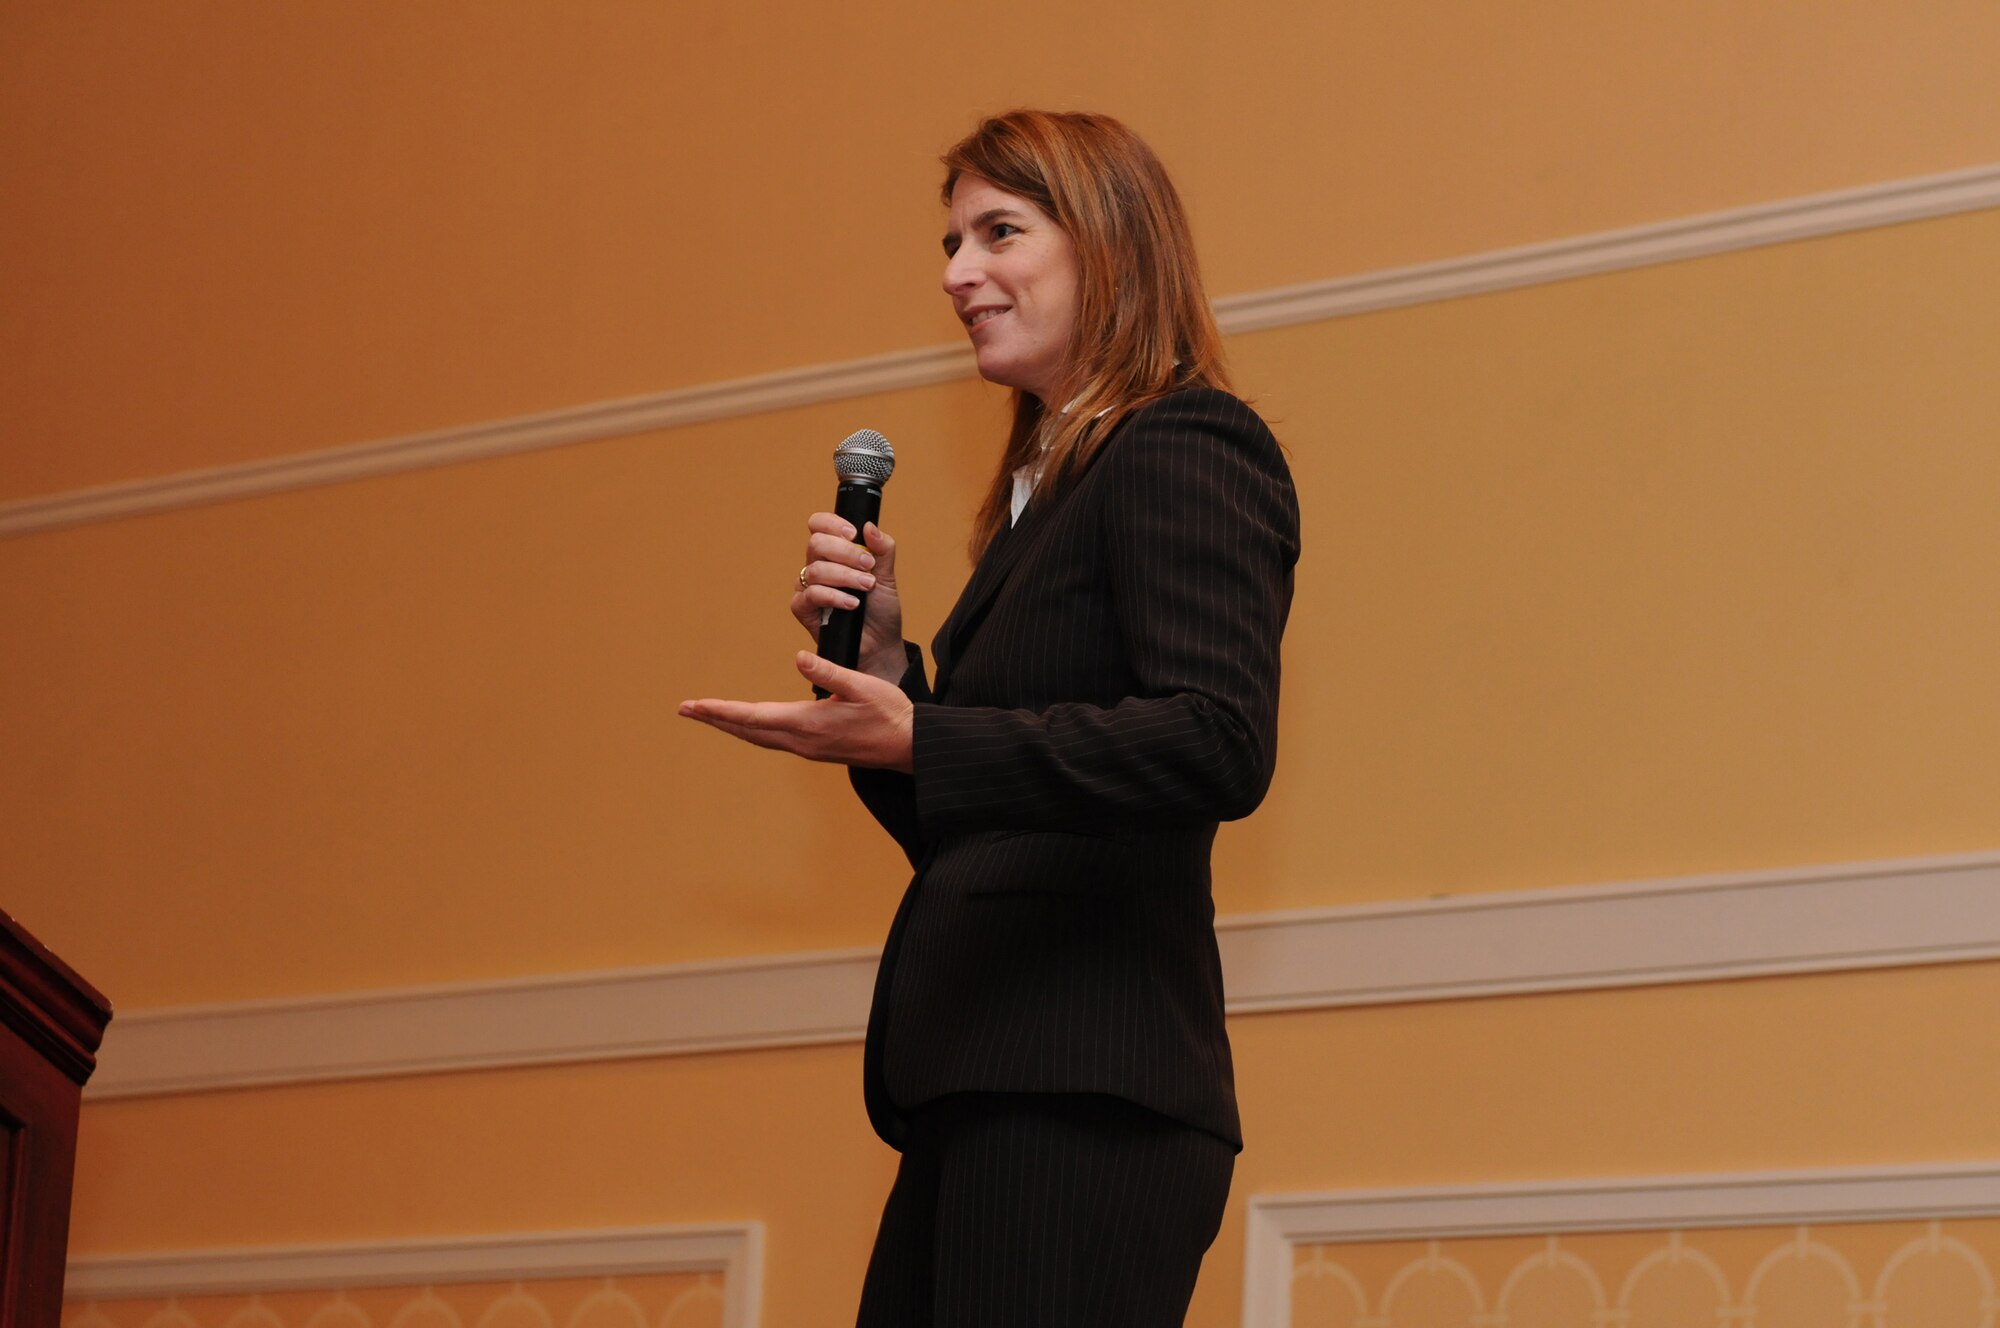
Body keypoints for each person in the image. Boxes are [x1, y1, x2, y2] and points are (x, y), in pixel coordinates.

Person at [681, 109, 1300, 1327]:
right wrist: (898, 675)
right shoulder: (1041, 505)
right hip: (986, 1079)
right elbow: (986, 826)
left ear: (1109, 246)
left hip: (1081, 1091)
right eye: (951, 241)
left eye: (998, 231)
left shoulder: (1184, 441)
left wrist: (926, 733)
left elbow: (1215, 737)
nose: (957, 274)